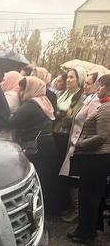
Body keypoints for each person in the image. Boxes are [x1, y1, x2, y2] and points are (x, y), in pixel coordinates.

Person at [69, 74, 110, 243]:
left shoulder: (107, 108)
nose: (97, 89)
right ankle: (84, 230)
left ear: (108, 88)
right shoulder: (103, 105)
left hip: (98, 157)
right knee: (86, 195)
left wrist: (81, 144)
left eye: (100, 86)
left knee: (90, 196)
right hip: (94, 156)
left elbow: (101, 137)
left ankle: (87, 234)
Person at [8, 76, 57, 211]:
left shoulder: (31, 104)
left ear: (30, 89)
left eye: (22, 89)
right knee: (43, 177)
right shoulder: (44, 101)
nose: (19, 93)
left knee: (33, 178)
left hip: (35, 146)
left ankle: (33, 208)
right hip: (46, 143)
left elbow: (11, 123)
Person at [59, 72, 102, 223]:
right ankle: (74, 208)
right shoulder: (88, 99)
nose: (86, 85)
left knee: (75, 179)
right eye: (86, 82)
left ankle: (77, 211)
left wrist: (81, 143)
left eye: (89, 83)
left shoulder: (96, 102)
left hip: (81, 145)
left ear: (97, 85)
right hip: (75, 144)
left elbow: (89, 125)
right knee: (70, 177)